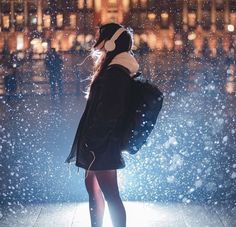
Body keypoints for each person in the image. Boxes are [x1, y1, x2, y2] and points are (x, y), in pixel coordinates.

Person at [65, 23, 139, 227]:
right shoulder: (113, 66)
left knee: (110, 194)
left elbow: (110, 111)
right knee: (93, 186)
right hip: (99, 140)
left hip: (102, 142)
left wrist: (94, 141)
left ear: (111, 43)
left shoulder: (116, 71)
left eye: (103, 39)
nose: (99, 44)